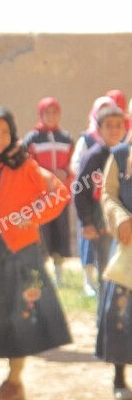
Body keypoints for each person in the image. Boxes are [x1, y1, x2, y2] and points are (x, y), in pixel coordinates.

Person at [0, 106, 72, 400]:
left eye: (4, 132)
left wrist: (34, 214)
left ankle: (13, 382)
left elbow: (59, 193)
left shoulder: (24, 166)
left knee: (20, 317)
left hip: (23, 254)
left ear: (12, 135)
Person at [74, 105, 127, 316]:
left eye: (118, 126)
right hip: (102, 225)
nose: (114, 130)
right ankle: (105, 318)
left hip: (124, 224)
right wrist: (87, 222)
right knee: (107, 272)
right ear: (99, 129)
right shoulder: (94, 157)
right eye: (108, 126)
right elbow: (80, 192)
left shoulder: (125, 155)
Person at [23, 97, 74, 286]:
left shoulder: (66, 138)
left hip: (60, 195)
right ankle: (42, 274)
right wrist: (47, 175)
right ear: (41, 114)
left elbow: (73, 162)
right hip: (39, 197)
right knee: (42, 234)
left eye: (55, 112)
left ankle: (59, 274)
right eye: (47, 113)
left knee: (60, 234)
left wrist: (66, 172)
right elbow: (26, 165)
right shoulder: (32, 138)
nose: (51, 116)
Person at [98, 131, 132, 400]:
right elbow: (108, 193)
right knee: (121, 312)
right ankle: (120, 376)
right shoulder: (121, 155)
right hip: (127, 245)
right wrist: (121, 219)